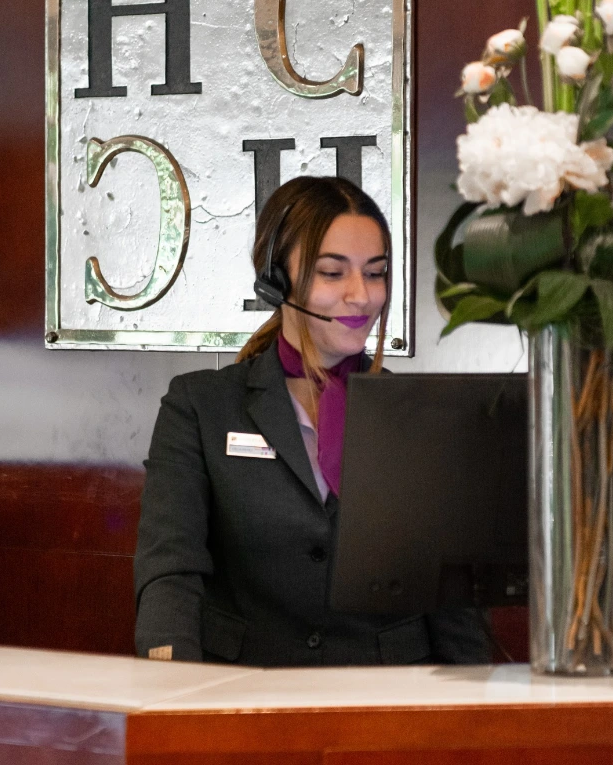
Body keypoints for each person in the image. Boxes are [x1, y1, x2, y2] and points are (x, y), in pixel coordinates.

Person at [134, 176, 490, 666]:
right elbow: (170, 570)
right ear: (275, 280)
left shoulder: (420, 415)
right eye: (332, 273)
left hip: (384, 700)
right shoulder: (200, 405)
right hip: (245, 695)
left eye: (375, 273)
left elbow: (452, 604)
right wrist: (170, 688)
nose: (361, 296)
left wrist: (475, 721)